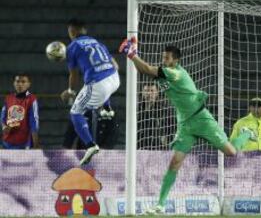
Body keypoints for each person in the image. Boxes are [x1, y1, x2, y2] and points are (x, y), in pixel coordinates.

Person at [119, 37, 244, 214]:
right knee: (174, 163)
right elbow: (144, 70)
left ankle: (245, 134)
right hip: (185, 124)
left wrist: (131, 54)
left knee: (231, 152)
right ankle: (160, 205)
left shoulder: (176, 73)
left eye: (168, 58)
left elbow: (146, 68)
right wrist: (132, 55)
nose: (165, 60)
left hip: (201, 119)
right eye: (164, 57)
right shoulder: (165, 72)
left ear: (176, 60)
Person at [60, 18, 120, 165]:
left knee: (75, 113)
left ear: (72, 32)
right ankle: (107, 107)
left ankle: (90, 145)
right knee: (97, 92)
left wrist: (70, 91)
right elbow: (116, 65)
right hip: (115, 79)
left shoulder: (72, 47)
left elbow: (74, 74)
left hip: (98, 85)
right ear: (84, 30)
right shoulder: (97, 42)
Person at [1, 73, 40, 149]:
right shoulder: (8, 98)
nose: (20, 84)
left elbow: (34, 123)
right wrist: (4, 127)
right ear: (14, 83)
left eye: (23, 82)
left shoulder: (32, 99)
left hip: (23, 145)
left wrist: (36, 145)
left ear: (28, 84)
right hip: (6, 143)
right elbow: (2, 117)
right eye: (17, 81)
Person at [138, 84, 170, 149]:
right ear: (142, 92)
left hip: (158, 148)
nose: (149, 93)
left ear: (157, 93)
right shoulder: (137, 109)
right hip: (139, 146)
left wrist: (167, 139)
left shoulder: (164, 110)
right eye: (146, 90)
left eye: (152, 90)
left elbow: (171, 128)